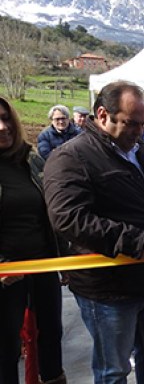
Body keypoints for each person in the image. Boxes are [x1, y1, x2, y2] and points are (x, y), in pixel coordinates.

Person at [43, 81, 144, 383]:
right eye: (131, 123)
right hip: (109, 288)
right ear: (102, 114)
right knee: (114, 370)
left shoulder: (138, 152)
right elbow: (68, 217)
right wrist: (133, 240)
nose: (140, 131)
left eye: (143, 124)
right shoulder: (71, 158)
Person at [0, 96, 66, 384]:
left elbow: (50, 213)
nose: (2, 127)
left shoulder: (30, 158)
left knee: (51, 335)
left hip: (43, 263)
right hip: (5, 274)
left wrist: (64, 259)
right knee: (5, 348)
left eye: (5, 118)